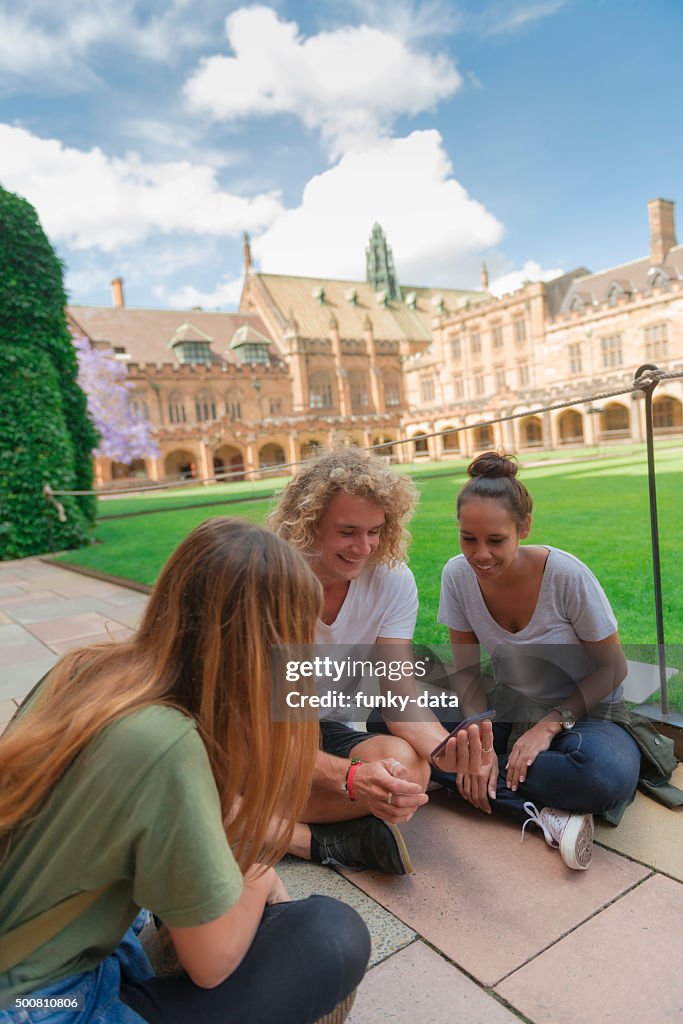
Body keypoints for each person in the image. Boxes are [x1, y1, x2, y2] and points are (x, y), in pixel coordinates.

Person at [0, 519, 370, 1024]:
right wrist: (258, 878)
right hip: (39, 1004)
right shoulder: (168, 743)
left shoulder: (86, 668)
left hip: (28, 947)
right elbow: (210, 964)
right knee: (332, 934)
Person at [268, 445, 493, 876]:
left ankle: (259, 819)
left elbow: (398, 697)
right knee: (212, 781)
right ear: (309, 524)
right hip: (258, 734)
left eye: (374, 531)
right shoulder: (272, 579)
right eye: (348, 531)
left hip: (323, 730)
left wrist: (444, 753)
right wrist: (350, 780)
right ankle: (302, 838)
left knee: (407, 769)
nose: (364, 547)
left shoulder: (392, 581)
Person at [437, 451, 642, 870]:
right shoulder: (456, 576)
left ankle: (484, 781)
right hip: (511, 705)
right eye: (468, 538)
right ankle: (550, 811)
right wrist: (478, 742)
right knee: (388, 720)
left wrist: (548, 727)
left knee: (601, 778)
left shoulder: (566, 575)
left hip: (587, 711)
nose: (480, 555)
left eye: (496, 540)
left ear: (524, 528)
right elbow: (467, 670)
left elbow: (614, 668)